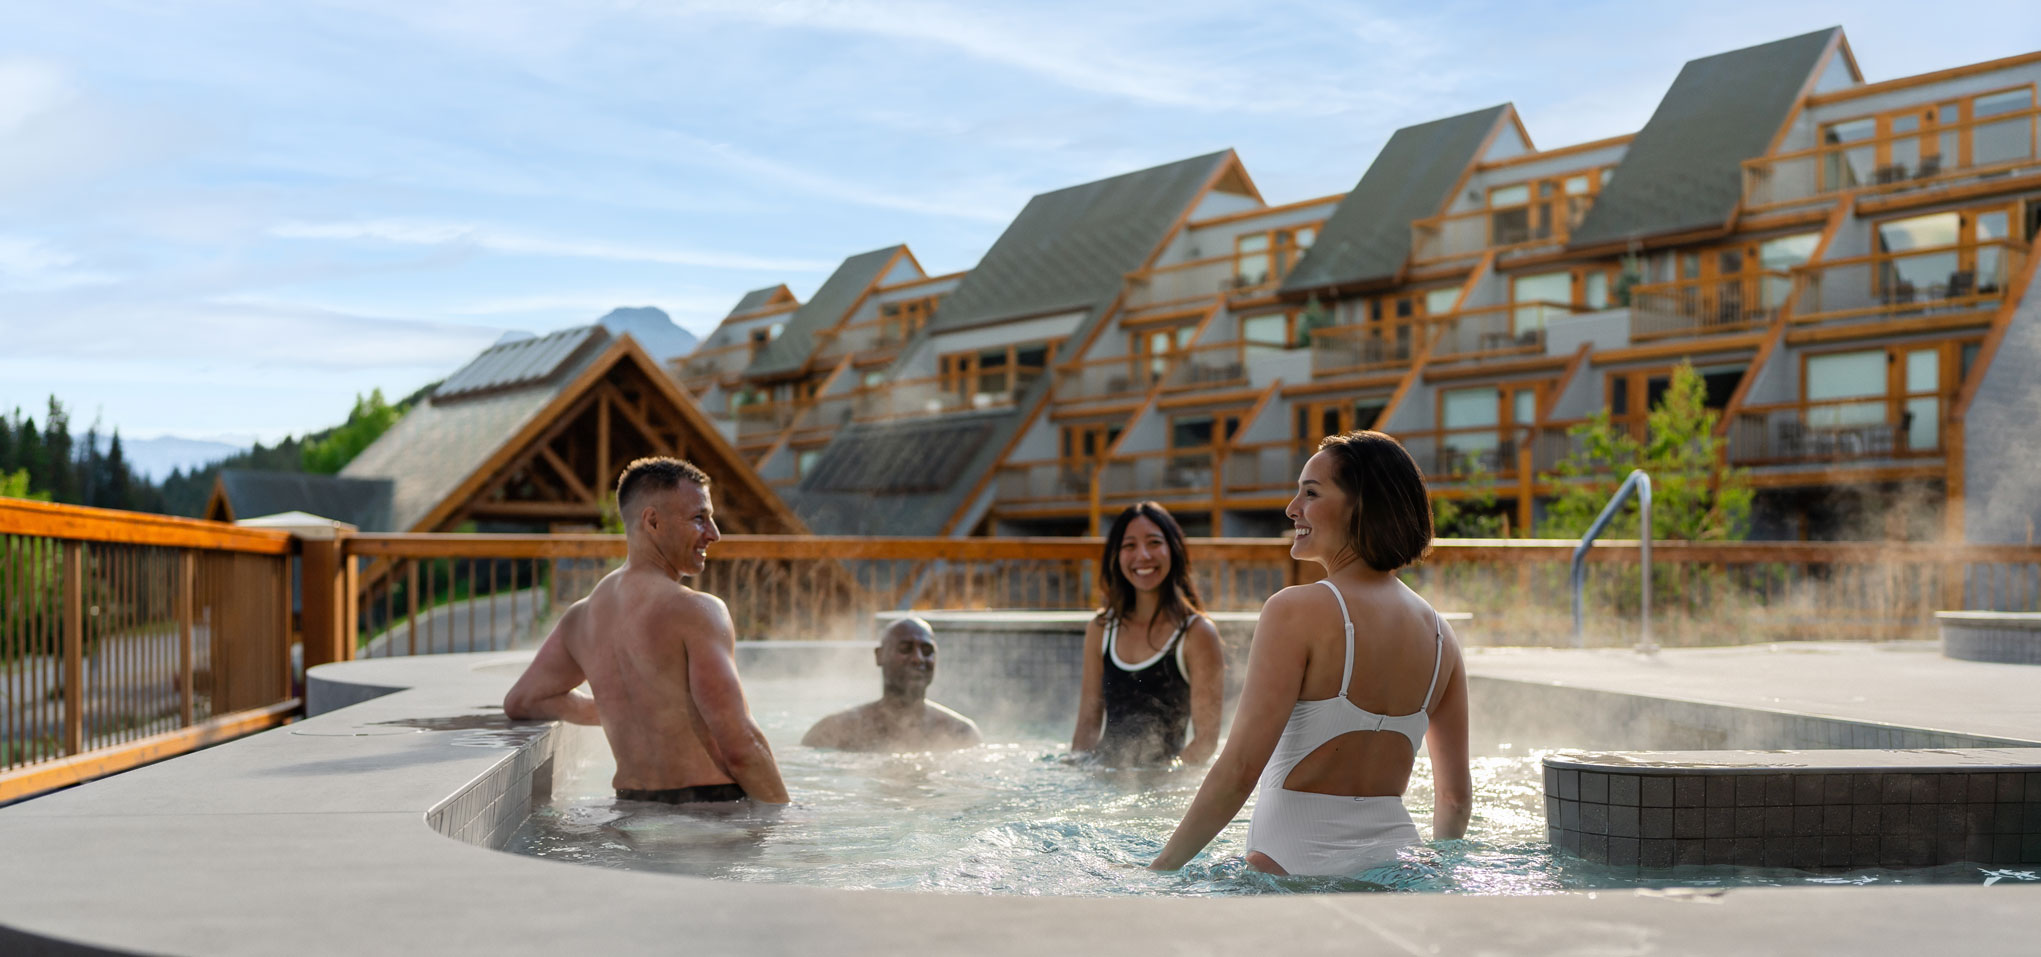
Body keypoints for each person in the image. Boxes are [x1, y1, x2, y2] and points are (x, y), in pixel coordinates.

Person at [1149, 431, 1470, 876]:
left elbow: (1241, 768)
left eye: (1311, 493)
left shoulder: (1295, 611)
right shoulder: (1441, 636)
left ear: (1361, 506)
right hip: (1398, 869)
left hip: (1286, 864)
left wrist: (1160, 868)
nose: (1292, 507)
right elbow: (1454, 799)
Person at [503, 456, 790, 806]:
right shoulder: (697, 610)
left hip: (631, 809)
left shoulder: (583, 616)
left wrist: (625, 708)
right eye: (700, 518)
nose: (714, 533)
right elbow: (742, 745)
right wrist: (785, 822)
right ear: (652, 521)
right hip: (712, 817)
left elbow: (523, 701)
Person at [1069, 501, 1224, 767]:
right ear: (1116, 557)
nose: (1143, 555)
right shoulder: (1102, 628)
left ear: (1173, 550)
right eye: (1129, 545)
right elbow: (1088, 723)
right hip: (1103, 779)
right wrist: (1075, 776)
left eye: (1154, 542)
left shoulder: (1197, 634)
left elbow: (1206, 742)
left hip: (1163, 785)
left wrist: (1160, 782)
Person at [801, 617, 983, 752]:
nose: (918, 658)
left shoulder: (961, 734)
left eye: (927, 651)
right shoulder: (835, 732)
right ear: (879, 656)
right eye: (905, 649)